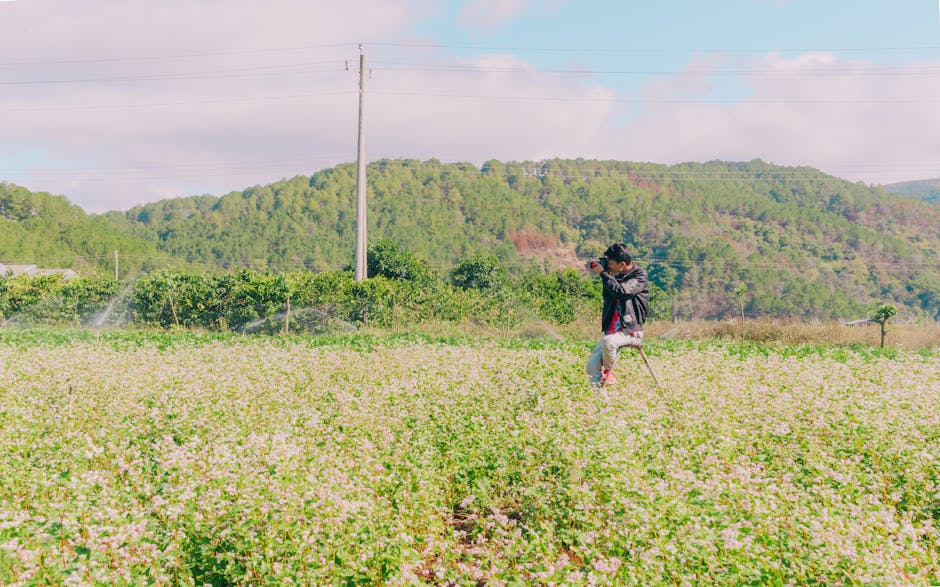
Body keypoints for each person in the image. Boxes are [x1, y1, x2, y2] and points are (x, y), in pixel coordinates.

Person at [585, 243, 650, 387]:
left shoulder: (639, 276)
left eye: (610, 262)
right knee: (591, 367)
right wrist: (607, 274)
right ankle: (600, 402)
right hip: (612, 330)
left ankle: (609, 372)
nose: (608, 265)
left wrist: (604, 274)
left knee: (608, 342)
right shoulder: (615, 275)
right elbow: (609, 294)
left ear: (622, 264)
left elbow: (622, 292)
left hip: (630, 330)